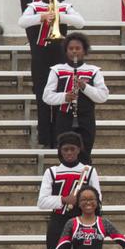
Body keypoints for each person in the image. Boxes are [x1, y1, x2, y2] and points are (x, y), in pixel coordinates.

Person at [18, 0, 85, 147]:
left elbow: (80, 23)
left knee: (60, 95)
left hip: (60, 57)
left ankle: (59, 137)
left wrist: (59, 16)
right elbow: (22, 22)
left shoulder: (65, 7)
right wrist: (41, 17)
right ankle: (44, 137)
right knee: (42, 96)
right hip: (40, 57)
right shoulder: (33, 7)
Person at [43, 32, 109, 164]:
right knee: (65, 154)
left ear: (84, 51)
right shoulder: (57, 70)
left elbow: (102, 96)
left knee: (85, 154)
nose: (74, 52)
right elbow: (47, 96)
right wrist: (65, 97)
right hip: (64, 117)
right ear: (66, 51)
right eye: (71, 49)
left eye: (78, 48)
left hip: (86, 118)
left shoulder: (93, 71)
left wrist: (84, 87)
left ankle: (84, 181)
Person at [38, 131, 103, 249]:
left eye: (72, 149)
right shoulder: (52, 172)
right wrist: (64, 199)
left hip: (83, 222)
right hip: (58, 223)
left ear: (79, 150)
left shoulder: (89, 171)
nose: (69, 153)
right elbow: (42, 202)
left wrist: (82, 201)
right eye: (65, 149)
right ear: (60, 150)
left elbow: (98, 199)